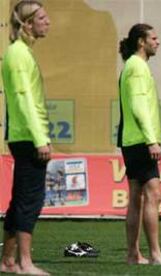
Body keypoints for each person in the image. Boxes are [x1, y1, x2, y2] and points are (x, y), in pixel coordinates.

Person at [117, 23, 161, 266]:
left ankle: (133, 254)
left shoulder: (133, 66)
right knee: (153, 194)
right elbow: (139, 107)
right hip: (140, 141)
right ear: (141, 42)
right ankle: (155, 254)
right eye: (154, 37)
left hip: (132, 140)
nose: (157, 41)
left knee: (137, 197)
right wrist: (151, 140)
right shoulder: (137, 67)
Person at [1, 1, 51, 275]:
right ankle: (24, 263)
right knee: (30, 199)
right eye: (42, 17)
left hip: (25, 135)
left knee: (21, 197)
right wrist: (40, 138)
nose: (48, 22)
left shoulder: (22, 53)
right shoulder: (19, 54)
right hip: (27, 137)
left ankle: (8, 261)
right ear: (28, 23)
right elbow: (24, 100)